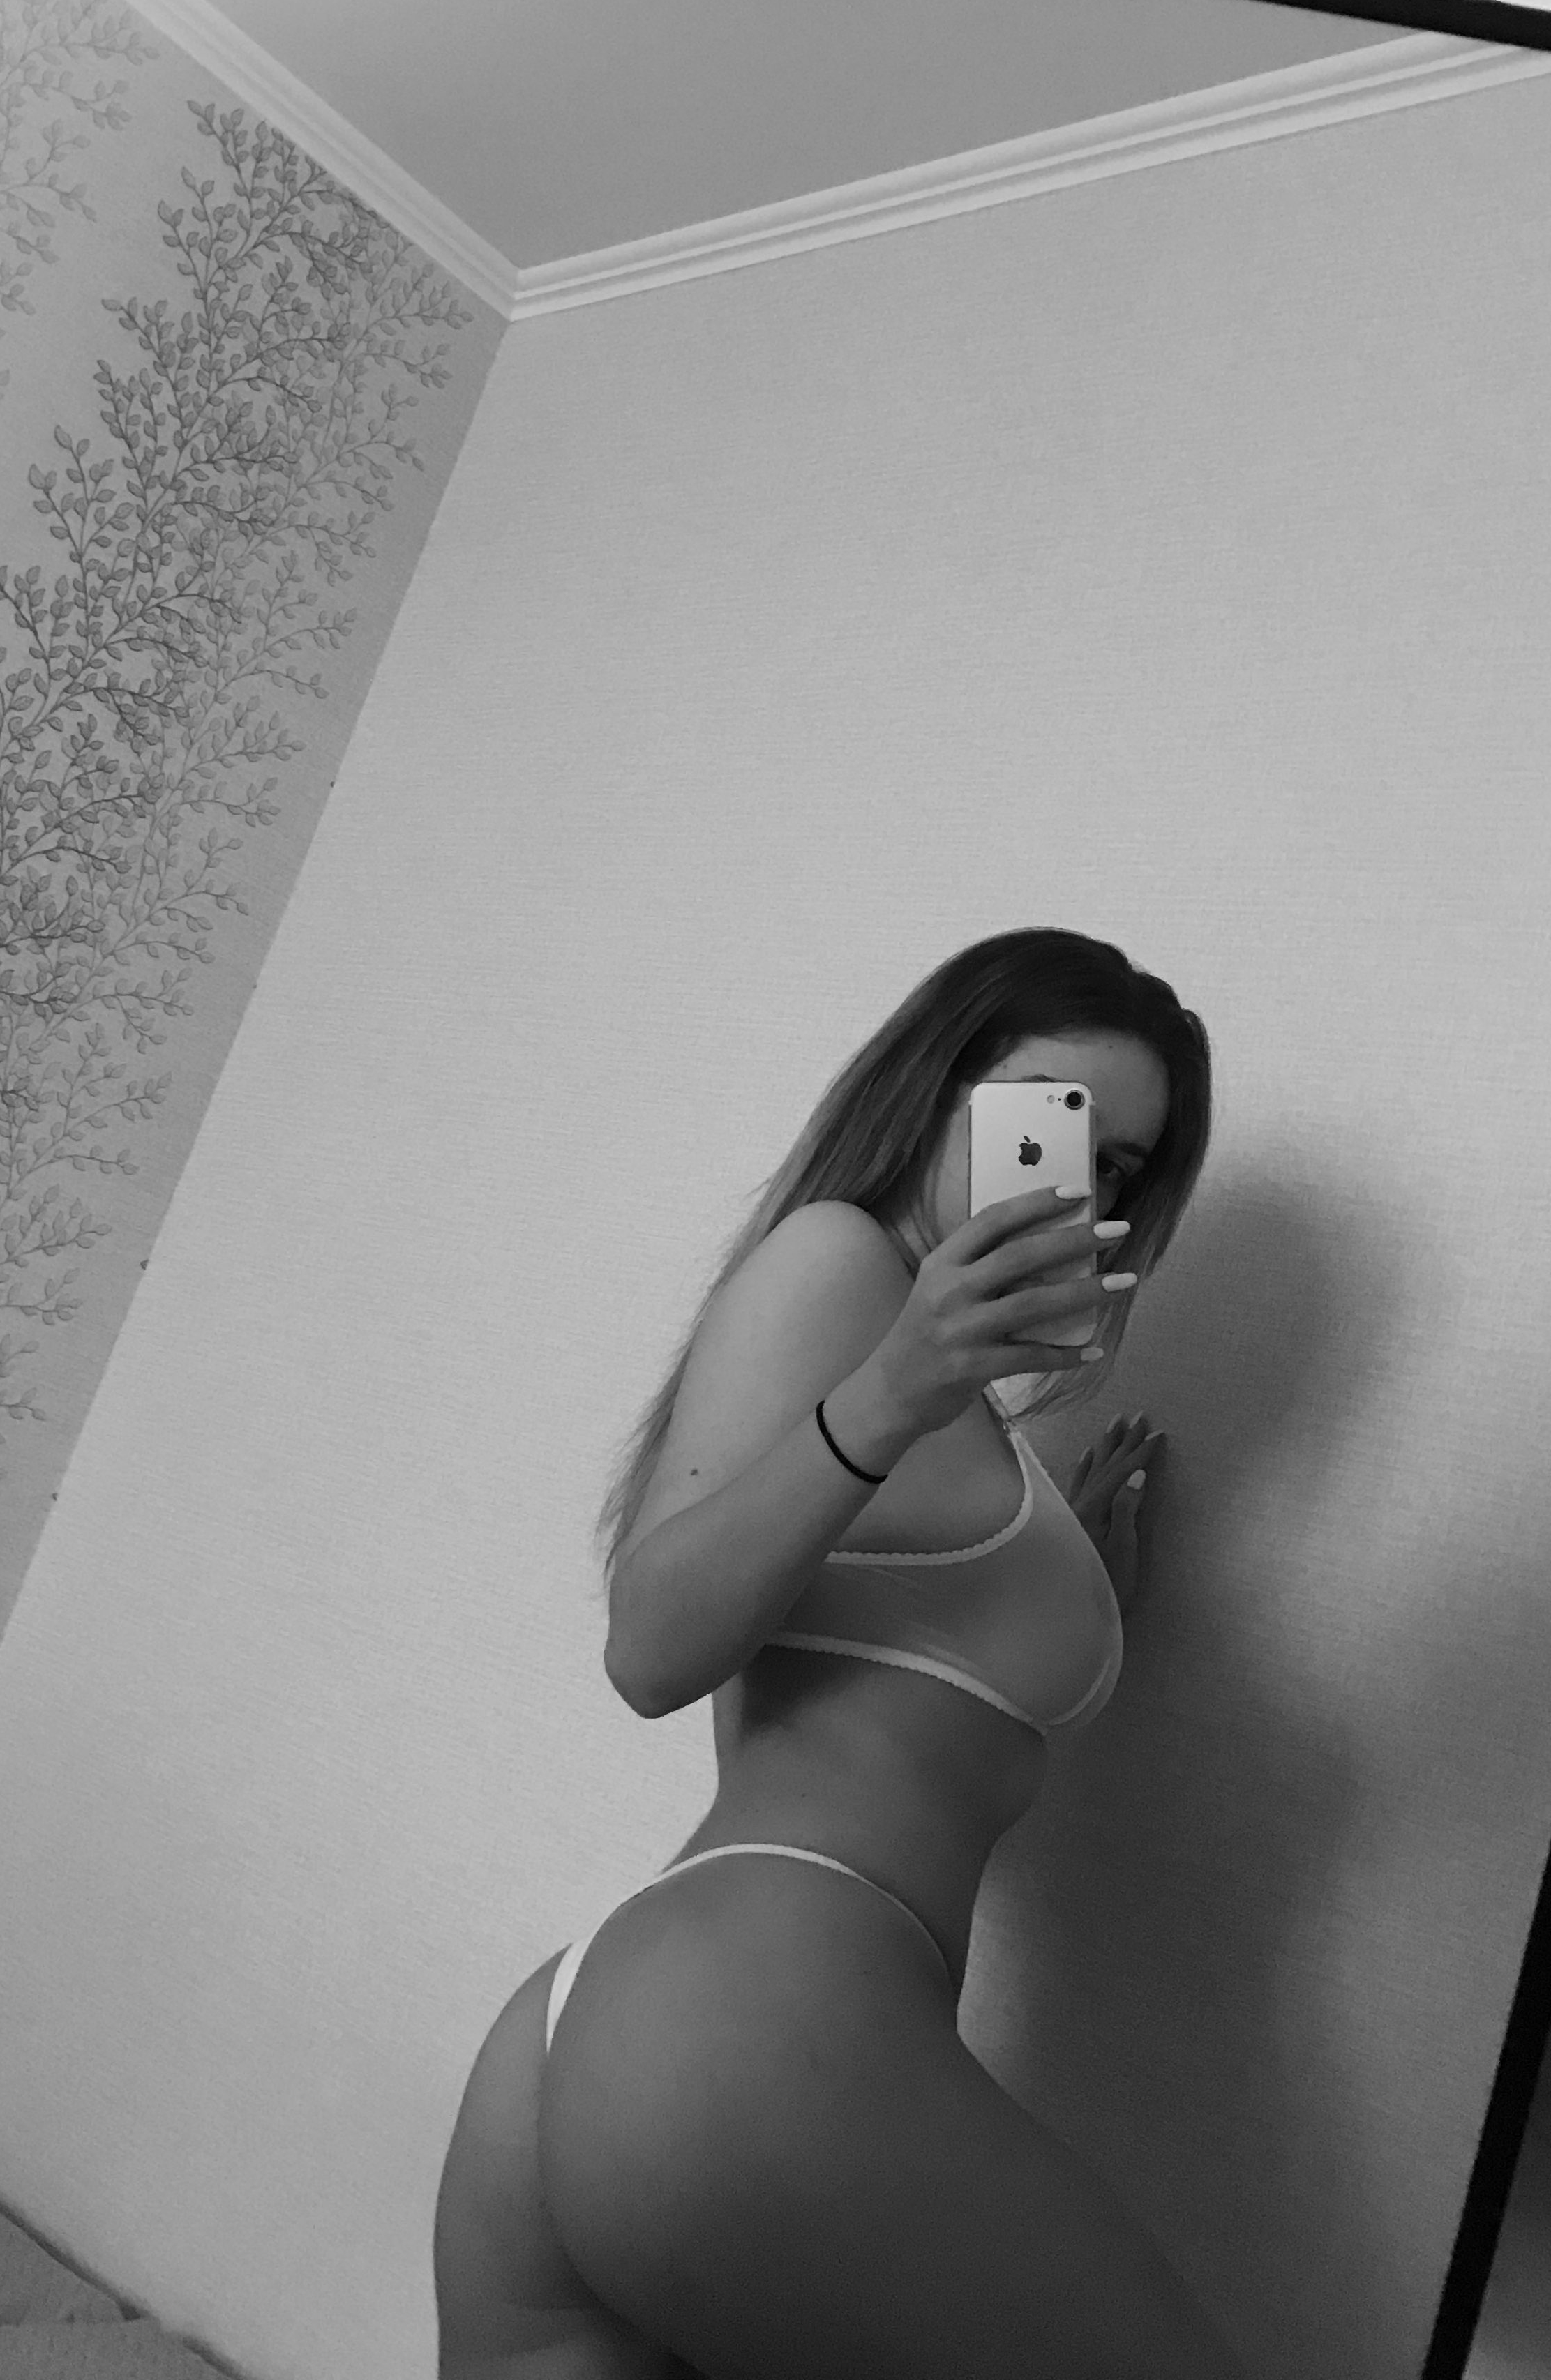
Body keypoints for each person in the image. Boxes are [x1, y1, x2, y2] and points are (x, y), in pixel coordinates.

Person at [433, 928, 1245, 2379]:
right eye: (1048, 1121)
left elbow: (897, 1691)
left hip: (672, 2024)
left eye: (1119, 1166)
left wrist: (1065, 1582)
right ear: (935, 1085)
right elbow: (650, 1650)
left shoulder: (959, 1414)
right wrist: (898, 1386)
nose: (1076, 1186)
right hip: (750, 2025)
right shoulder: (842, 1268)